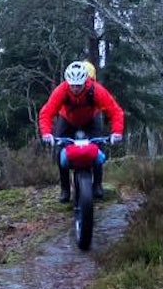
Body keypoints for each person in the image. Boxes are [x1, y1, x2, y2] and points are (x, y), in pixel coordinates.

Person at [38, 60, 125, 202]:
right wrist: (46, 133)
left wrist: (117, 132)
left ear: (85, 81)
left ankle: (97, 185)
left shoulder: (96, 90)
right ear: (68, 83)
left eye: (79, 85)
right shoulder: (61, 90)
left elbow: (115, 111)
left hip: (91, 119)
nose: (76, 88)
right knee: (60, 151)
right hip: (67, 120)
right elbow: (47, 112)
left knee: (98, 149)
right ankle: (65, 189)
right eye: (73, 85)